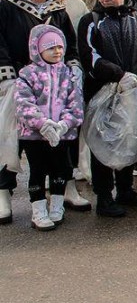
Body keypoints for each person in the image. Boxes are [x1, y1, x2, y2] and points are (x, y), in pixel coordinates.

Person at [1, 0, 89, 223]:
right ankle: (3, 192)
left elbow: (71, 46)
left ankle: (67, 187)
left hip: (56, 86)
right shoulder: (8, 7)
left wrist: (73, 71)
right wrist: (7, 76)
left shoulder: (58, 12)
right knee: (11, 137)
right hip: (19, 82)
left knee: (64, 137)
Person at [78, 0, 137, 217]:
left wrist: (135, 75)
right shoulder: (91, 21)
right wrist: (117, 75)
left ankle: (126, 188)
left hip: (133, 91)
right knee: (102, 142)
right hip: (102, 91)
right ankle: (104, 196)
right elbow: (89, 55)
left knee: (129, 138)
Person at [14, 26, 84, 230]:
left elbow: (76, 105)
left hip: (62, 135)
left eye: (60, 47)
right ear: (38, 49)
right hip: (34, 136)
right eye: (51, 48)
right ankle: (38, 209)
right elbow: (23, 105)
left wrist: (63, 125)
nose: (57, 51)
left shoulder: (68, 74)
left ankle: (57, 205)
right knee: (37, 171)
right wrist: (42, 124)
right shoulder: (27, 75)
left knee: (60, 169)